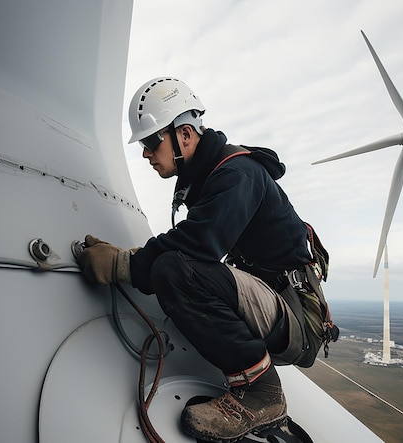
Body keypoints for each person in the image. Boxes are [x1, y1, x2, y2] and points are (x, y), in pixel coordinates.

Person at [77, 77, 321, 442]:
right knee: (172, 266)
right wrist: (133, 257)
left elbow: (197, 245)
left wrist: (123, 264)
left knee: (174, 271)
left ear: (186, 135)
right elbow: (192, 242)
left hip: (296, 317)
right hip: (271, 304)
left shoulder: (237, 173)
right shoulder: (207, 177)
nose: (145, 153)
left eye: (150, 141)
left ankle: (262, 392)